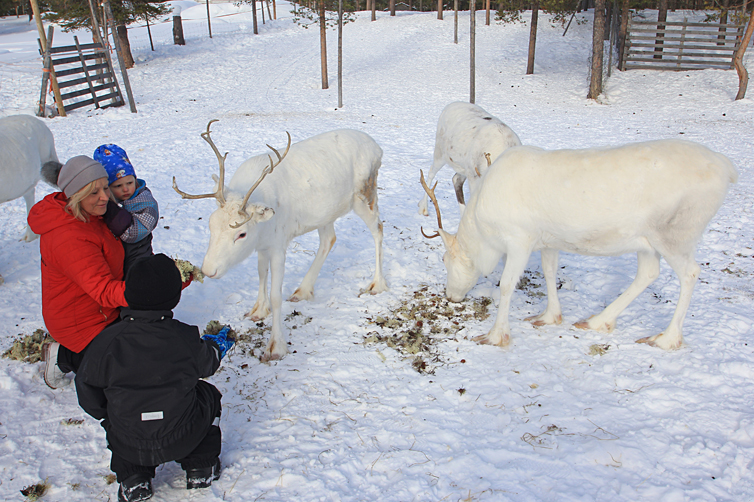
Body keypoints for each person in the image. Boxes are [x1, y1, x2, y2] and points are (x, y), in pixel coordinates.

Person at [74, 254, 235, 502]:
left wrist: (111, 413)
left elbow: (86, 387)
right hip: (182, 433)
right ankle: (200, 466)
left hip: (129, 438)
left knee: (122, 438)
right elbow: (207, 365)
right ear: (173, 297)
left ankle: (134, 479)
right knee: (209, 395)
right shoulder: (183, 336)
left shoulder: (107, 342)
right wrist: (215, 346)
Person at [29, 155, 128, 389]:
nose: (106, 197)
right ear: (76, 194)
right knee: (129, 367)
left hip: (101, 309)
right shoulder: (69, 237)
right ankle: (64, 356)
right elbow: (103, 290)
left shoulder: (89, 213)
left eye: (105, 187)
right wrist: (153, 289)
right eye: (94, 192)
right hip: (82, 323)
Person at [93, 144, 159, 276]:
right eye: (118, 185)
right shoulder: (104, 202)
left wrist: (112, 210)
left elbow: (133, 232)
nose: (125, 189)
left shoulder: (145, 202)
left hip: (138, 260)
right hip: (116, 263)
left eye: (129, 183)